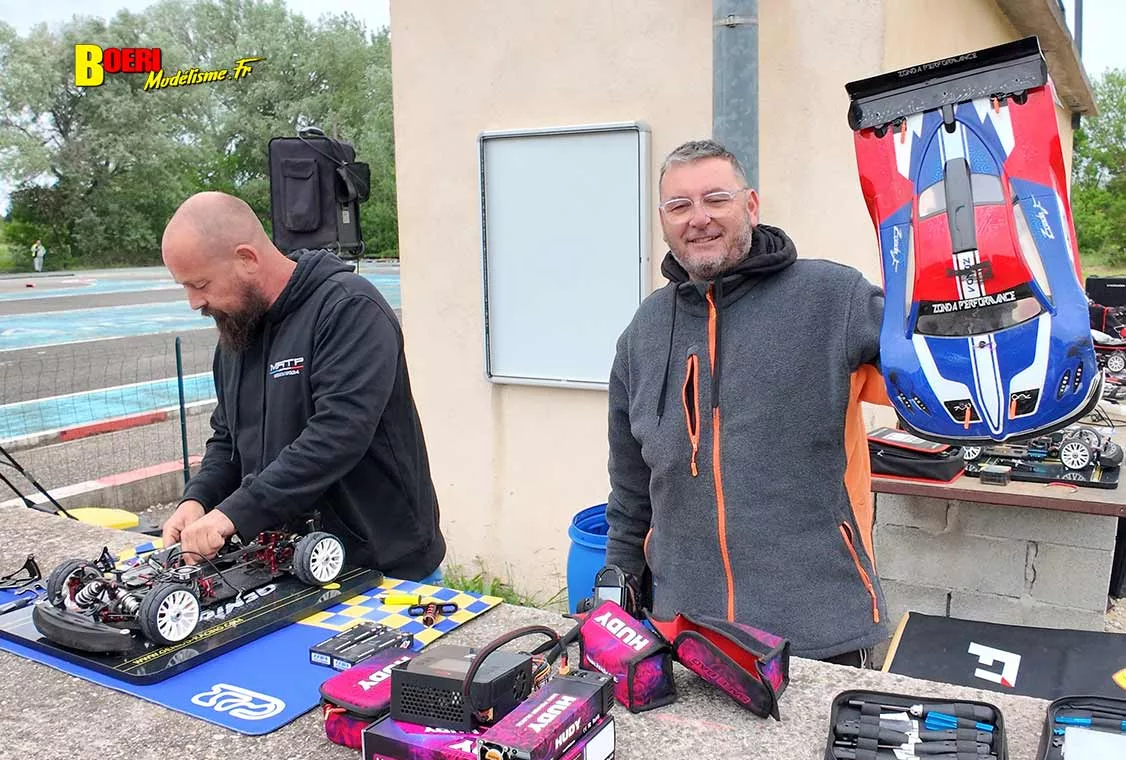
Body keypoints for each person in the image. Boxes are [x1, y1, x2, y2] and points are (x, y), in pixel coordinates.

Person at [604, 139, 890, 665]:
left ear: (751, 205)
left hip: (817, 636)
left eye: (716, 199)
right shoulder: (642, 334)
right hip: (683, 635)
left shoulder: (834, 298)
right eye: (679, 206)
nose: (699, 219)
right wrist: (612, 598)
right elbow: (629, 496)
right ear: (663, 221)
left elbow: (936, 381)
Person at [160, 191, 445, 581]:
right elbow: (227, 436)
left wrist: (233, 514)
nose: (194, 302)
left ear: (247, 258)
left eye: (201, 284)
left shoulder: (349, 309)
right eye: (186, 287)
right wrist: (200, 498)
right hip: (292, 566)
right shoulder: (238, 327)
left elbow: (336, 436)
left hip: (382, 567)